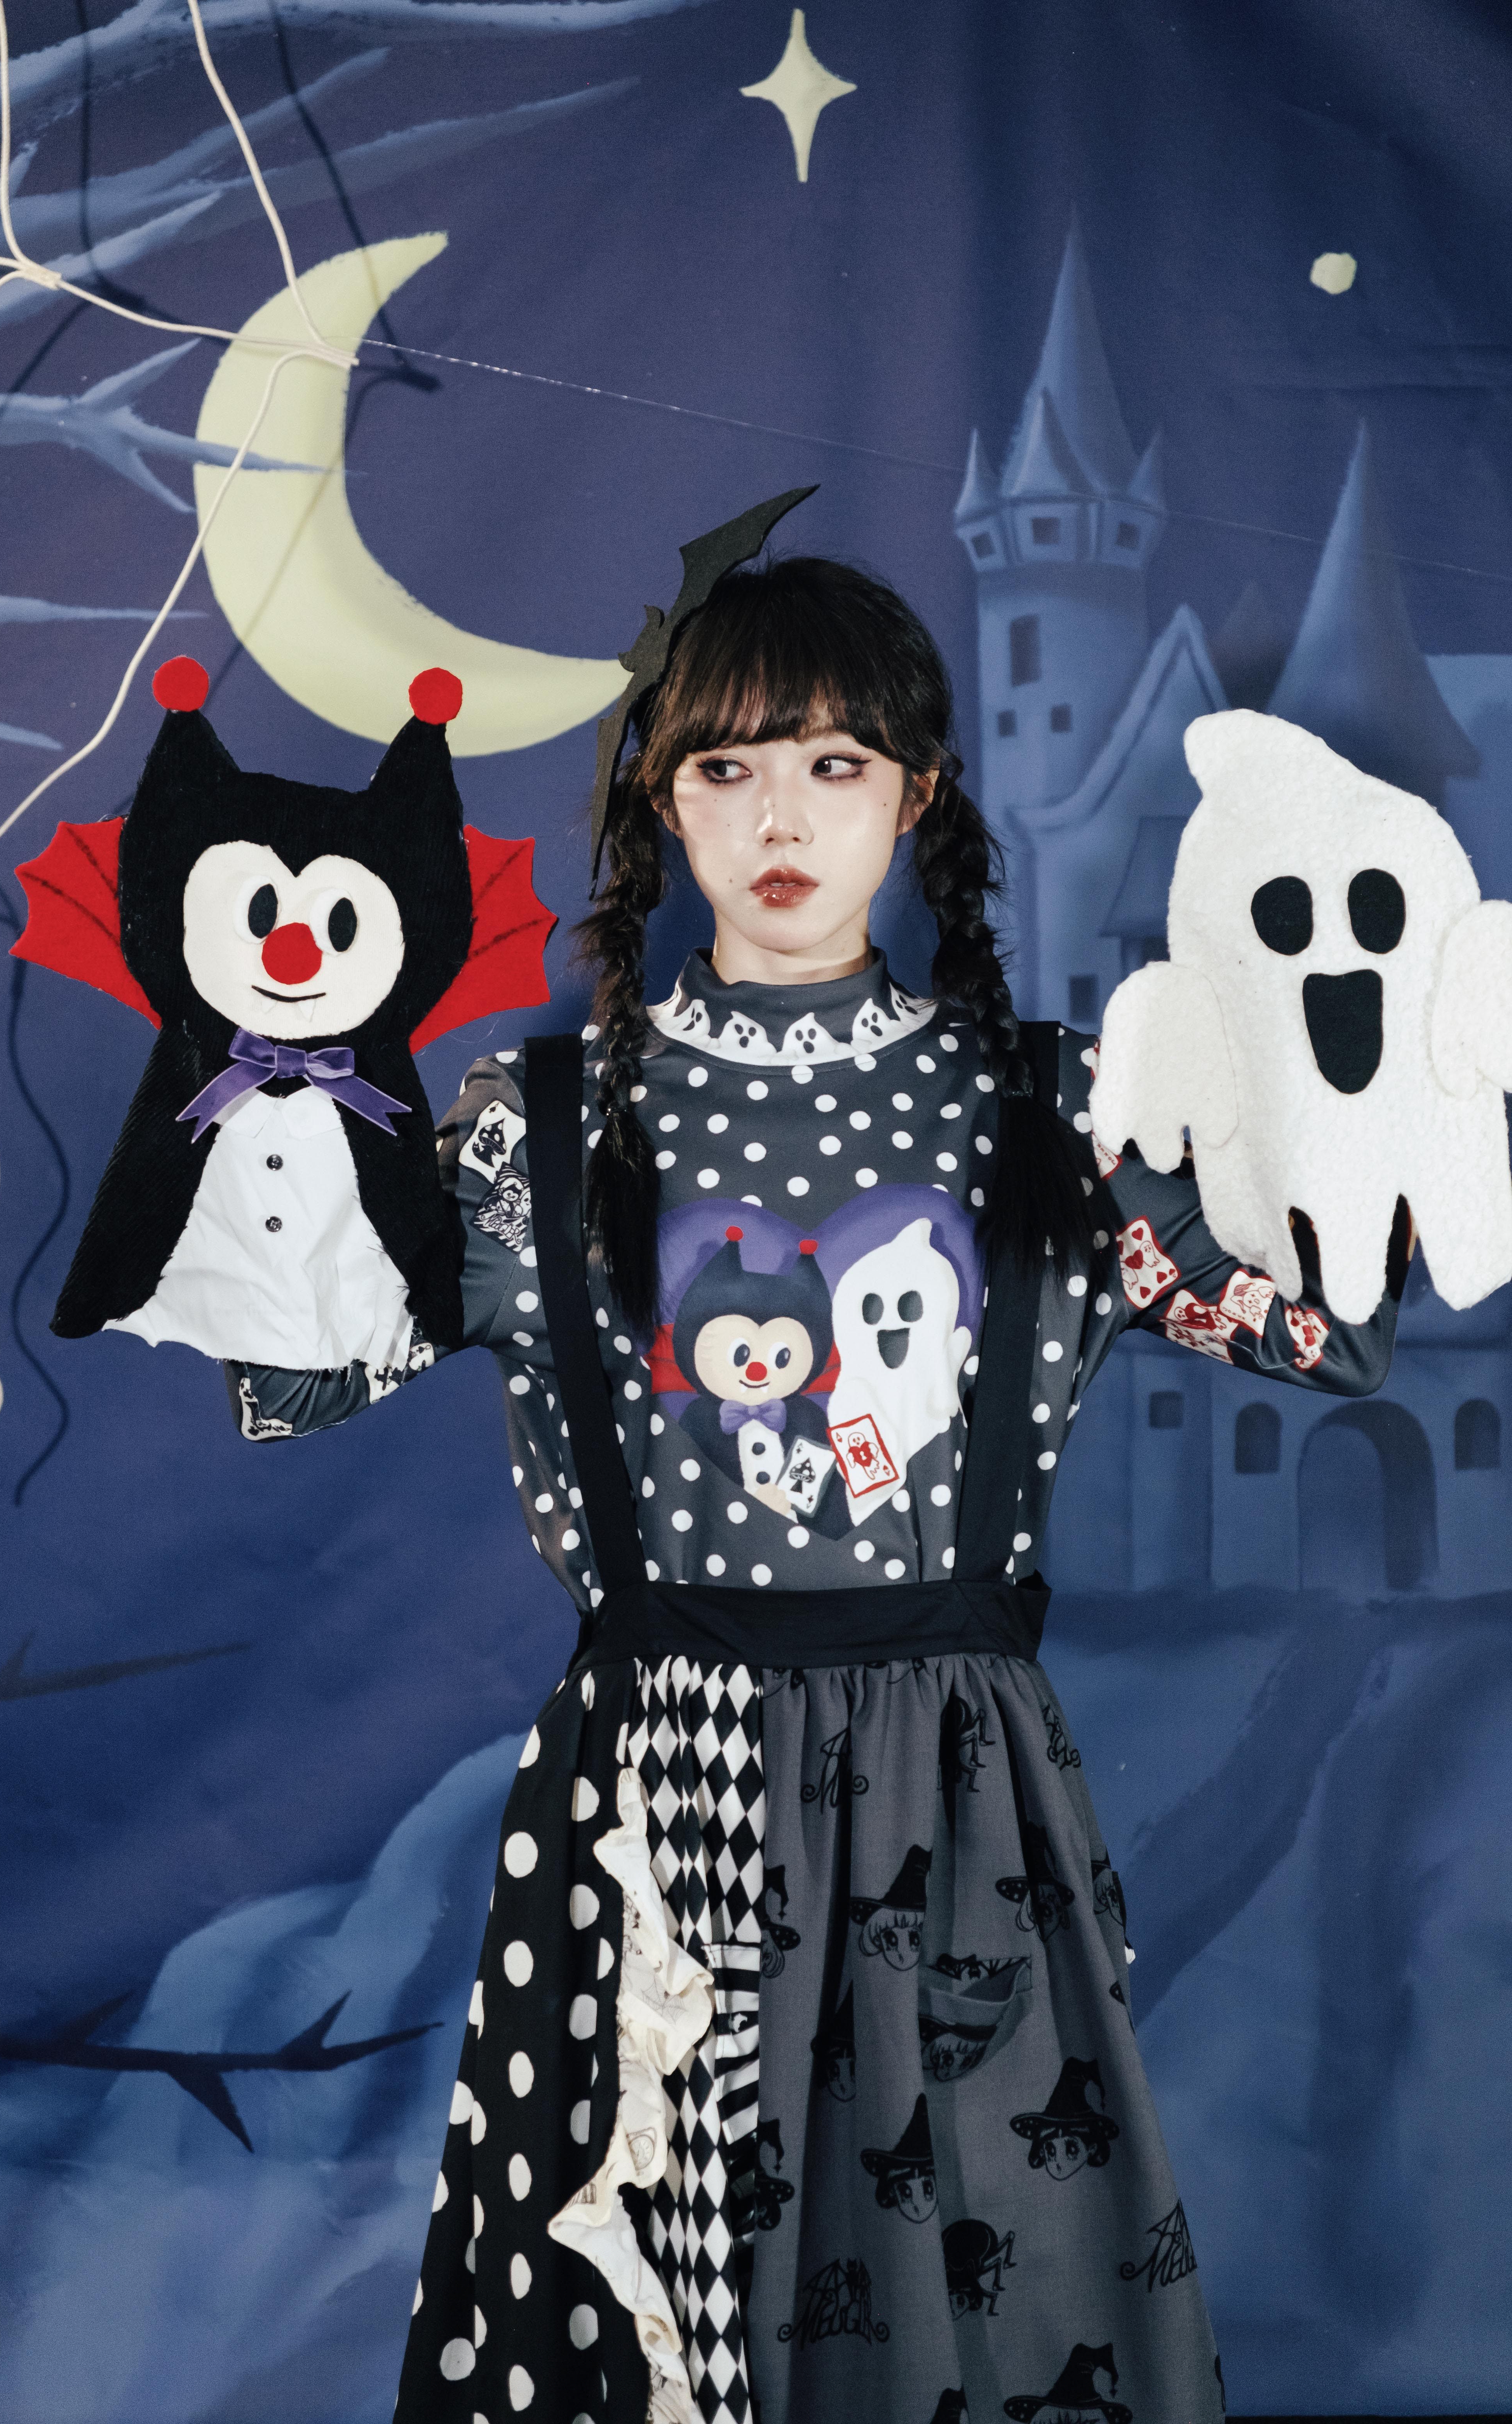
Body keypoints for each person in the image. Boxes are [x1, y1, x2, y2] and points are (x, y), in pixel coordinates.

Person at [230, 555, 1406, 2424]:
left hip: (960, 1799)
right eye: (727, 768)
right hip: (650, 1801)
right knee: (650, 2332)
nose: (780, 821)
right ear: (660, 798)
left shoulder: (1061, 1110)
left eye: (835, 765)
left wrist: (1358, 1070)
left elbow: (1326, 1340)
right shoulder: (535, 1130)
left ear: (915, 795)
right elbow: (289, 1381)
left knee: (983, 2321)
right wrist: (263, 1093)